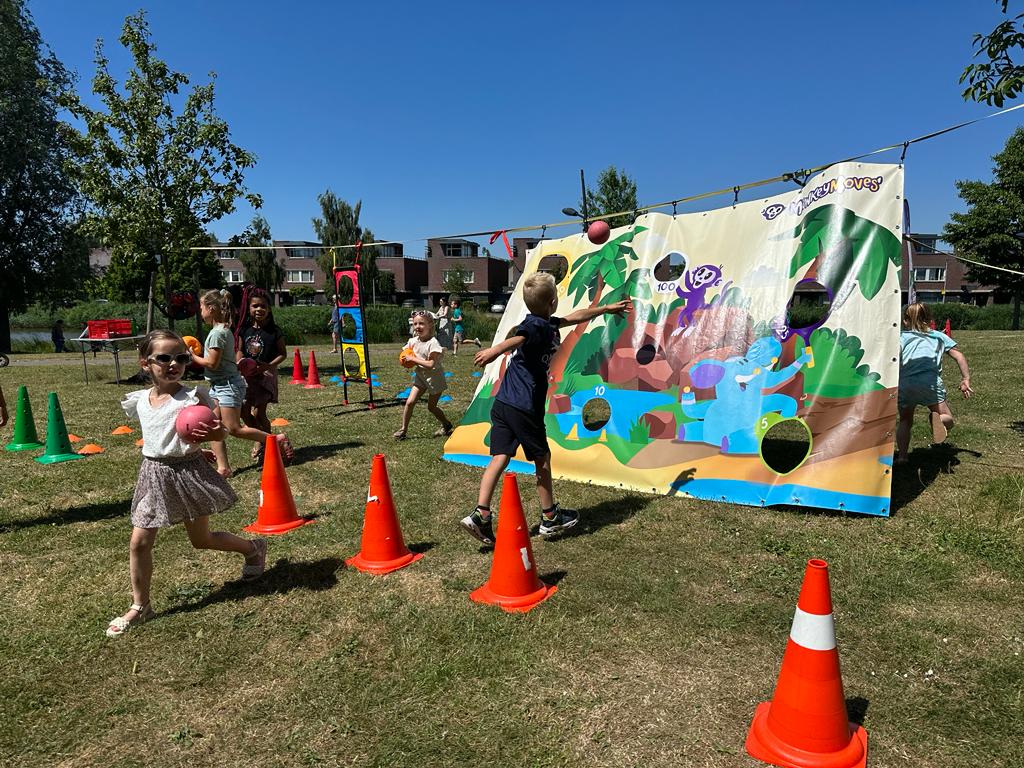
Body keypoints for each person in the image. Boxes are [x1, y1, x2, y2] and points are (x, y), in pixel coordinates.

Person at [106, 329, 267, 638]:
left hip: (187, 474)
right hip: (153, 474)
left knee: (201, 539)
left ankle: (253, 548)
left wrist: (206, 436)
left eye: (180, 358)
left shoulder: (192, 398)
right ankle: (141, 606)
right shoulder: (140, 400)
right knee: (139, 540)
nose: (173, 364)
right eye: (163, 358)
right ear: (145, 364)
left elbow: (218, 434)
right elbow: (161, 436)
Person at [460, 272, 631, 544]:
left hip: (504, 402)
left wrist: (605, 309)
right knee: (542, 459)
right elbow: (520, 338)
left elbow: (574, 316)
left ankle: (481, 514)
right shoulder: (536, 327)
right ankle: (550, 518)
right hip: (524, 405)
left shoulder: (546, 323)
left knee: (501, 456)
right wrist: (496, 350)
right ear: (552, 301)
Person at [191, 289, 294, 477]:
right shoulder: (223, 330)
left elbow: (212, 363)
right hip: (219, 385)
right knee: (215, 425)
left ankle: (275, 439)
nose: (200, 312)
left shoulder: (217, 334)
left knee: (234, 429)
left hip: (227, 386)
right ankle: (223, 468)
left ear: (211, 308)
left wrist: (193, 357)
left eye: (201, 307)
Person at [895, 303, 973, 464]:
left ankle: (902, 456)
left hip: (906, 384)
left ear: (905, 321)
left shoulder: (900, 337)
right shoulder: (939, 336)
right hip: (930, 384)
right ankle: (939, 420)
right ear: (929, 319)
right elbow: (959, 356)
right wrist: (965, 379)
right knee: (947, 417)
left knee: (905, 420)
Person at [237, 288, 287, 463]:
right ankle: (260, 438)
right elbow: (240, 350)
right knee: (243, 411)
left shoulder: (274, 331)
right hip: (246, 376)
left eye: (263, 306)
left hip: (265, 376)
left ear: (269, 308)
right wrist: (240, 363)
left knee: (259, 413)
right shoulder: (244, 329)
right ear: (249, 308)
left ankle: (268, 445)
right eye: (255, 306)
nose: (259, 309)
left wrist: (268, 366)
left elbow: (282, 353)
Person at [394, 311, 455, 440]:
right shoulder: (413, 341)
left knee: (431, 407)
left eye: (421, 323)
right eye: (415, 323)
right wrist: (404, 359)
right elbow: (405, 353)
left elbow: (431, 364)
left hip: (435, 378)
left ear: (430, 325)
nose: (417, 326)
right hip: (421, 376)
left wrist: (413, 359)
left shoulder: (433, 343)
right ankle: (403, 430)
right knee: (410, 402)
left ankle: (446, 424)